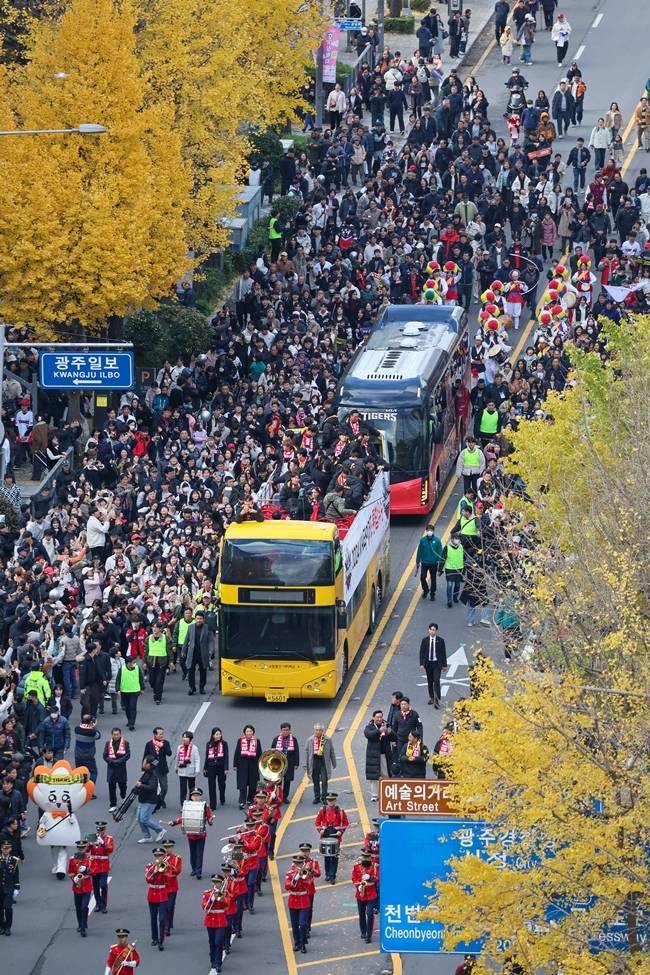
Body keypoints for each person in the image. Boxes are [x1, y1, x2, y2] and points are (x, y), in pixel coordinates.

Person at [168, 786, 213, 879]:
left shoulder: (205, 806)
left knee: (199, 853)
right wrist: (174, 822)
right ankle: (194, 869)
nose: (196, 797)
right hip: (191, 834)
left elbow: (209, 817)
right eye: (194, 795)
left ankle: (199, 871)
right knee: (192, 853)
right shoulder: (188, 806)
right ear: (191, 797)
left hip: (201, 835)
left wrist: (210, 821)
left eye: (198, 795)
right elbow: (184, 818)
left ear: (201, 797)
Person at [315, 793, 349, 882]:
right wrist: (320, 830)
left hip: (335, 836)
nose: (330, 802)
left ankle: (332, 875)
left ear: (335, 801)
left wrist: (340, 832)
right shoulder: (322, 810)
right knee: (326, 856)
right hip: (325, 835)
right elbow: (317, 822)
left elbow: (345, 823)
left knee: (334, 856)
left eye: (332, 800)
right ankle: (327, 874)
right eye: (329, 800)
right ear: (327, 801)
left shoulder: (340, 811)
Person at [202, 873, 232, 975]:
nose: (216, 884)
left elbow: (227, 905)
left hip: (220, 920)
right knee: (211, 942)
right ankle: (213, 960)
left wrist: (221, 897)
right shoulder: (207, 893)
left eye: (218, 882)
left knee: (218, 942)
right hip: (210, 920)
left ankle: (218, 963)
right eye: (214, 882)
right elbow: (204, 906)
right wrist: (211, 899)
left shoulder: (225, 893)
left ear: (221, 883)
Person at [145, 846, 172, 950]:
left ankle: (161, 941)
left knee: (162, 919)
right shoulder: (150, 866)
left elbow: (168, 880)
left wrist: (163, 870)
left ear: (163, 856)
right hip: (152, 894)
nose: (158, 858)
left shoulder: (167, 866)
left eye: (160, 856)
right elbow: (148, 879)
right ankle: (155, 938)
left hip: (162, 895)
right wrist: (155, 870)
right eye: (156, 856)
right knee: (153, 918)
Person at [364, 709, 395, 801]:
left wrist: (390, 732)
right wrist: (379, 731)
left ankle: (387, 793)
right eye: (377, 717)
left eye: (381, 717)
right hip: (373, 755)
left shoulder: (386, 725)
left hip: (385, 754)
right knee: (374, 777)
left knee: (386, 774)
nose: (379, 719)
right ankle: (374, 795)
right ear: (373, 718)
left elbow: (395, 738)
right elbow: (368, 735)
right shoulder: (369, 727)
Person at [134, 756, 166, 844]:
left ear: (149, 764)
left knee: (144, 819)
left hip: (149, 801)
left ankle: (160, 830)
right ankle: (147, 837)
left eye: (144, 762)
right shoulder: (147, 772)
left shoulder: (153, 774)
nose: (143, 763)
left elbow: (152, 787)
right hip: (143, 799)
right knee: (139, 819)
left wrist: (140, 785)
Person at [304, 723, 336, 805]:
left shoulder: (327, 739)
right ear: (314, 730)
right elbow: (306, 752)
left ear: (323, 731)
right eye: (317, 730)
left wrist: (334, 762)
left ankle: (324, 797)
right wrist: (305, 764)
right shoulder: (310, 740)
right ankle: (317, 797)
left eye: (320, 730)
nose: (318, 732)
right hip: (314, 761)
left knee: (324, 780)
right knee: (315, 781)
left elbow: (331, 751)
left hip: (323, 761)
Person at [352, 847, 379, 943]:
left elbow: (377, 877)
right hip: (360, 893)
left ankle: (369, 935)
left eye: (367, 857)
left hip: (371, 894)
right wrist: (358, 885)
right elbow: (354, 878)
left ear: (370, 857)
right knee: (361, 913)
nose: (366, 858)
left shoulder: (374, 866)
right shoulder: (357, 866)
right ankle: (363, 931)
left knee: (370, 914)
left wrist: (370, 877)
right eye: (364, 857)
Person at [285, 854, 311, 954]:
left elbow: (309, 884)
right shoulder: (290, 873)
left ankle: (303, 943)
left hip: (303, 900)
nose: (298, 865)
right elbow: (287, 886)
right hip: (293, 900)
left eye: (300, 863)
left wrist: (304, 876)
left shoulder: (305, 873)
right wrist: (296, 878)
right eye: (296, 863)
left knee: (303, 924)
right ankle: (297, 943)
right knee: (294, 924)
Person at [419, 622, 448, 708]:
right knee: (430, 681)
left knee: (437, 681)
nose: (432, 631)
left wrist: (444, 665)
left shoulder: (441, 641)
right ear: (428, 630)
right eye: (431, 630)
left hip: (437, 664)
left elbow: (443, 653)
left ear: (436, 631)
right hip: (428, 664)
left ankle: (437, 700)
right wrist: (421, 664)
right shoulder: (425, 640)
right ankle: (431, 697)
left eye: (434, 630)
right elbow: (422, 653)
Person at [233, 725, 262, 809]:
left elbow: (260, 753)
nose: (249, 733)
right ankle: (242, 801)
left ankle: (250, 799)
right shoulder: (240, 740)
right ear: (244, 732)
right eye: (247, 731)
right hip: (242, 765)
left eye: (250, 731)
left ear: (253, 732)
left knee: (253, 784)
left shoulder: (257, 741)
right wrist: (235, 765)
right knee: (243, 784)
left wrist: (260, 766)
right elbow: (237, 752)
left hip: (253, 765)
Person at [271, 721, 300, 802]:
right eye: (283, 730)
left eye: (287, 730)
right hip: (278, 763)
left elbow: (296, 752)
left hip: (289, 763)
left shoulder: (293, 739)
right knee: (278, 781)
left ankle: (285, 797)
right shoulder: (276, 739)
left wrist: (296, 763)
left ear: (290, 730)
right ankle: (277, 796)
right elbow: (272, 751)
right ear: (281, 730)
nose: (285, 732)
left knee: (287, 780)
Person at [88, 821, 114, 914]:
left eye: (102, 829)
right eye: (98, 829)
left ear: (104, 829)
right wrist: (90, 844)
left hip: (103, 865)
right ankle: (98, 904)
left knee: (103, 885)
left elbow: (110, 850)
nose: (100, 831)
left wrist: (103, 843)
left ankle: (104, 904)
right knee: (95, 886)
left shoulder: (108, 838)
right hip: (94, 865)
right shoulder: (92, 837)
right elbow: (86, 850)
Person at [183, 610, 210, 696]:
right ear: (195, 619)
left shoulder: (207, 627)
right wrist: (183, 650)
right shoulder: (190, 627)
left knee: (203, 671)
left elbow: (211, 641)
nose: (199, 620)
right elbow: (186, 640)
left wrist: (211, 651)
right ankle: (192, 687)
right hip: (192, 653)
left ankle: (202, 687)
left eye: (200, 619)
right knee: (191, 671)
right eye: (197, 618)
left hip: (203, 653)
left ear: (203, 619)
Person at [68, 839, 93, 937]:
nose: (81, 849)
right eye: (79, 848)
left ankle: (83, 927)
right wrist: (74, 879)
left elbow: (94, 871)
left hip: (86, 886)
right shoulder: (72, 859)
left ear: (85, 848)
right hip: (77, 887)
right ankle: (80, 924)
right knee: (78, 907)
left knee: (84, 907)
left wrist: (86, 869)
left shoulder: (89, 859)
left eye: (83, 848)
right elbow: (70, 872)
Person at [103, 727, 131, 813]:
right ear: (112, 735)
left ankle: (123, 797)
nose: (116, 736)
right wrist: (110, 761)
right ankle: (113, 805)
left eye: (117, 734)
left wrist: (118, 761)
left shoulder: (125, 743)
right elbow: (105, 755)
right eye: (114, 734)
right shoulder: (108, 743)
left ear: (120, 734)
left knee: (123, 786)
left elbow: (128, 755)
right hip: (111, 768)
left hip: (121, 768)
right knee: (111, 787)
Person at [143, 727, 172, 809]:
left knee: (164, 787)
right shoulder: (149, 744)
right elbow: (145, 756)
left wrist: (162, 747)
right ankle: (154, 801)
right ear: (155, 735)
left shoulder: (165, 743)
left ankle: (161, 799)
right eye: (160, 734)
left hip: (162, 768)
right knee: (153, 787)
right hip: (152, 769)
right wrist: (143, 768)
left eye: (163, 733)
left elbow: (169, 753)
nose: (162, 735)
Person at [415, 523, 443, 601]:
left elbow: (440, 552)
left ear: (433, 531)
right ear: (426, 531)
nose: (429, 532)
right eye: (428, 530)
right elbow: (419, 551)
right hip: (424, 563)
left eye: (431, 530)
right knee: (422, 577)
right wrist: (417, 561)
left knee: (433, 579)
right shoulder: (422, 540)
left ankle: (432, 594)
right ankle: (426, 590)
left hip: (434, 564)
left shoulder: (437, 541)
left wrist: (439, 562)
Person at [116, 657, 144, 731]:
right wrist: (117, 689)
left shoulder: (137, 668)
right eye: (131, 662)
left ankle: (132, 724)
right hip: (124, 691)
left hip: (134, 691)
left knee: (133, 707)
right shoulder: (122, 669)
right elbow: (118, 679)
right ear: (127, 663)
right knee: (127, 707)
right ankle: (129, 720)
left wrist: (142, 688)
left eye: (133, 662)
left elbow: (141, 678)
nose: (133, 664)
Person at [203, 727, 229, 810]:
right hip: (211, 767)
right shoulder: (209, 744)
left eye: (219, 734)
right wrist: (205, 767)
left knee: (222, 784)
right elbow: (207, 756)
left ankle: (222, 797)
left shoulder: (224, 743)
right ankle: (213, 804)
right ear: (213, 735)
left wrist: (226, 768)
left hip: (221, 766)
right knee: (211, 786)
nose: (218, 736)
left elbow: (226, 756)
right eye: (217, 734)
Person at [161, 838, 182, 935]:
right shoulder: (160, 858)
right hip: (162, 886)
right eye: (165, 847)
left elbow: (177, 871)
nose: (167, 849)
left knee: (170, 906)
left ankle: (168, 924)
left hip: (172, 886)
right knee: (164, 907)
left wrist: (168, 865)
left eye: (169, 847)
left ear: (172, 848)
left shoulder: (177, 858)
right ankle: (166, 926)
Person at [174, 730, 202, 804]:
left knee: (191, 788)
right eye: (183, 737)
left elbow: (197, 759)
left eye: (186, 737)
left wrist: (197, 770)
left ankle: (191, 802)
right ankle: (183, 803)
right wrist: (176, 767)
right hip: (182, 770)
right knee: (183, 788)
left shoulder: (194, 748)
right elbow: (177, 758)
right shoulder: (179, 747)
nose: (184, 739)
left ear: (190, 739)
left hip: (191, 771)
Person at [145, 621, 169, 705]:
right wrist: (145, 662)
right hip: (151, 662)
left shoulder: (165, 638)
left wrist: (171, 662)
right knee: (152, 680)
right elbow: (145, 651)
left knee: (159, 681)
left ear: (160, 629)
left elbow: (169, 650)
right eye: (153, 627)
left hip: (162, 662)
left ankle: (158, 698)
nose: (154, 629)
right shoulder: (148, 638)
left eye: (156, 627)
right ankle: (155, 690)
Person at [440, 532, 466, 607]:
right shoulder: (447, 547)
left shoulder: (461, 547)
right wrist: (440, 569)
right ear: (451, 539)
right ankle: (449, 600)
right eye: (455, 538)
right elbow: (442, 559)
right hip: (450, 569)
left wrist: (465, 568)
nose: (457, 540)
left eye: (458, 539)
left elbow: (464, 558)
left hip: (459, 569)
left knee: (457, 585)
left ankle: (455, 597)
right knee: (450, 585)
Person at [74, 713, 100, 785]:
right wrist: (94, 727)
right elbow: (98, 736)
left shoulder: (77, 729)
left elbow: (81, 726)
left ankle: (81, 788)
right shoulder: (92, 732)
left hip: (78, 755)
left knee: (80, 773)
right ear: (91, 722)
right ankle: (90, 788)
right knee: (94, 772)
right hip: (89, 756)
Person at [0, 837, 19, 936]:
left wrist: (17, 888)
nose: (5, 850)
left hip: (9, 888)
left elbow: (16, 875)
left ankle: (8, 927)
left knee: (8, 908)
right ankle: (1, 926)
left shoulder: (14, 861)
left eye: (7, 848)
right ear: (1, 849)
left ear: (10, 849)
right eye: (4, 848)